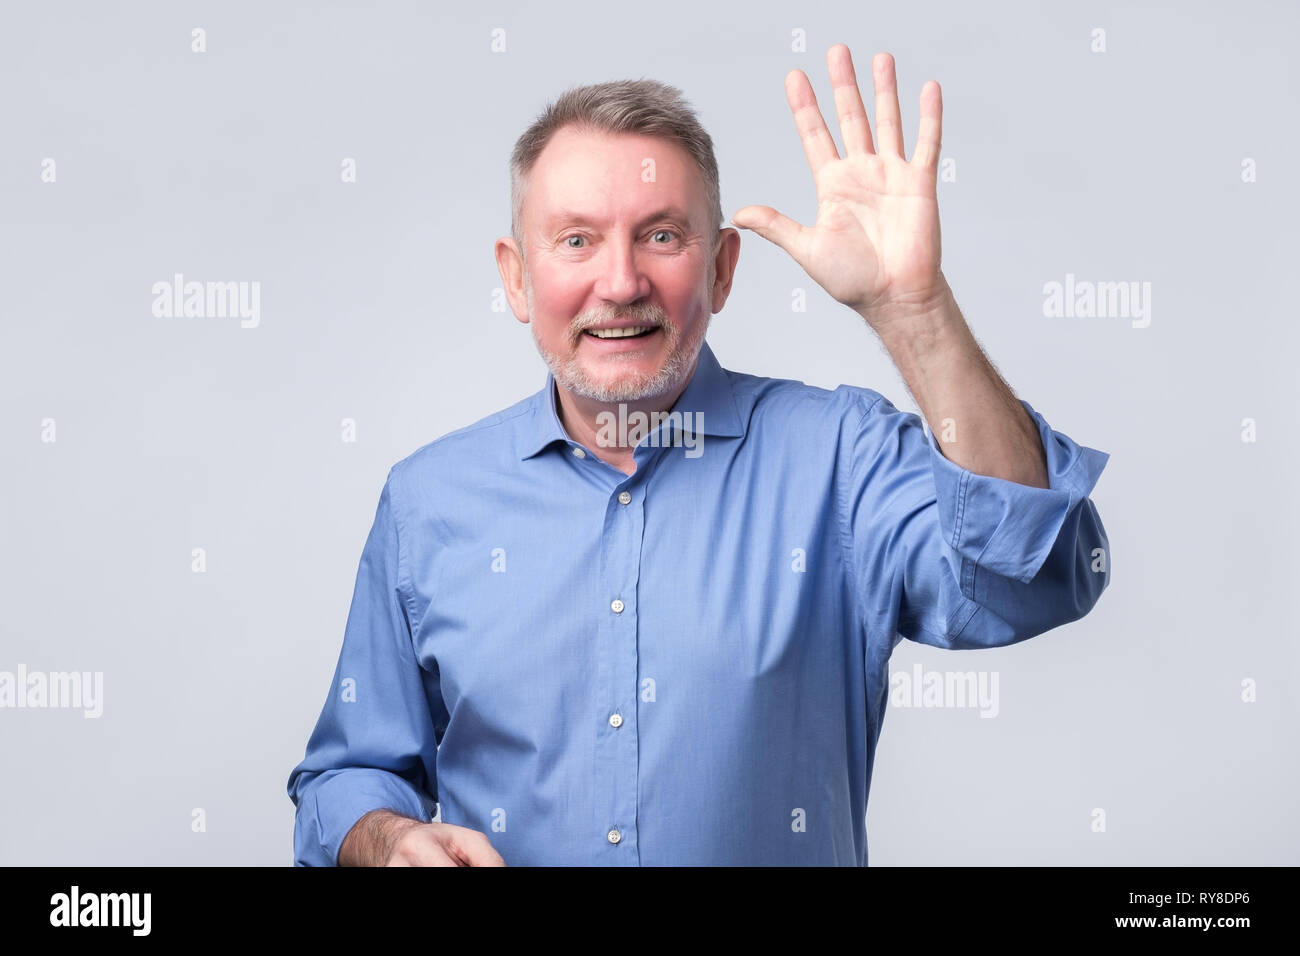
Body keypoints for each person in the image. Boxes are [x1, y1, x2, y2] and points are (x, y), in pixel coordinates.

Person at [286, 45, 1110, 866]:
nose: (620, 282)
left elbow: (1030, 576)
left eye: (662, 236)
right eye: (576, 240)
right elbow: (348, 774)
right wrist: (387, 838)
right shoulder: (428, 501)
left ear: (721, 270)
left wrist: (915, 311)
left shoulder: (840, 461)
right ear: (516, 279)